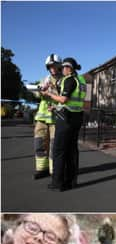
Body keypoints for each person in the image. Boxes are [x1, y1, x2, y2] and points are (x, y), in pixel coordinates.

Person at [41, 57, 86, 192]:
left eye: (64, 68)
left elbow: (64, 99)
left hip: (66, 120)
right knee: (72, 151)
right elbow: (73, 102)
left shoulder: (70, 80)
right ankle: (71, 181)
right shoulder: (80, 80)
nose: (63, 70)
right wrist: (55, 107)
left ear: (69, 68)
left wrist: (48, 93)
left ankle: (58, 183)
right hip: (76, 117)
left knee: (59, 151)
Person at [33, 54, 62, 179]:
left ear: (59, 66)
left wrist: (51, 91)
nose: (53, 68)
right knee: (39, 144)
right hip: (42, 118)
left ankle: (53, 170)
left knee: (54, 146)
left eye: (55, 65)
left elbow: (64, 98)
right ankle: (41, 169)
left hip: (56, 118)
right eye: (50, 66)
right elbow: (37, 95)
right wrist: (40, 90)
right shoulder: (44, 79)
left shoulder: (64, 80)